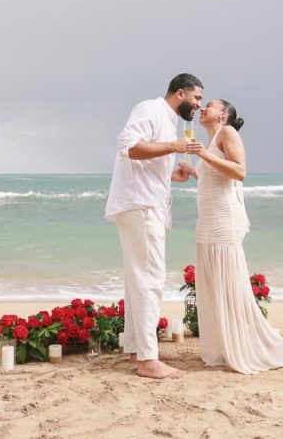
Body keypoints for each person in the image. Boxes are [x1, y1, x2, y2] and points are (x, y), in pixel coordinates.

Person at [105, 73, 204, 379]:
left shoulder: (169, 120)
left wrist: (168, 176)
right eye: (196, 98)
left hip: (142, 203)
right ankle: (148, 360)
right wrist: (174, 146)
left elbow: (144, 159)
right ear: (179, 93)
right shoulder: (150, 108)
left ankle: (137, 348)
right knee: (150, 279)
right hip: (141, 206)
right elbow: (129, 147)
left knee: (139, 279)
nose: (199, 105)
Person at [184, 99, 283, 374]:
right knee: (212, 286)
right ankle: (222, 347)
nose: (202, 108)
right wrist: (194, 171)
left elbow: (240, 172)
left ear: (224, 114)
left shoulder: (228, 133)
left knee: (227, 283)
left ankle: (244, 346)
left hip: (224, 222)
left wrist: (205, 157)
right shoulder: (210, 143)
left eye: (209, 105)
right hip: (207, 221)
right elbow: (215, 182)